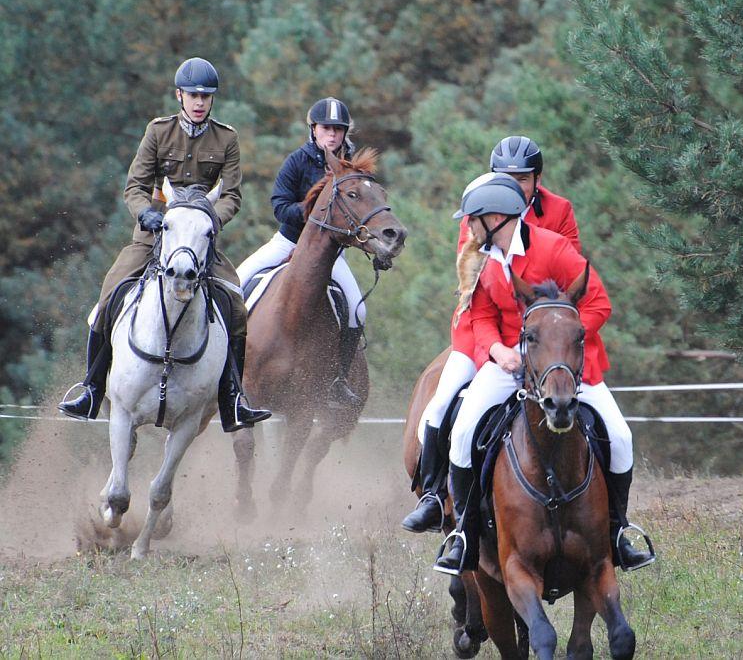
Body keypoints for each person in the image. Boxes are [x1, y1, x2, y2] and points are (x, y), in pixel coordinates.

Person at [432, 173, 652, 574]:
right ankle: (463, 534)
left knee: (620, 436)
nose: (468, 226)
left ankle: (619, 531)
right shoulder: (479, 257)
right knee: (463, 432)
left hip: (563, 365)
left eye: (473, 219)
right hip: (510, 362)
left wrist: (559, 342)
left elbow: (598, 303)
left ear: (496, 218)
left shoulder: (553, 248)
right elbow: (479, 314)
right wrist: (498, 350)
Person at [58, 57, 271, 432]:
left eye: (206, 96)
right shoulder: (158, 132)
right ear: (180, 95)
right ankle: (91, 388)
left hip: (200, 240)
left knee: (235, 305)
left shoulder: (227, 138)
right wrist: (146, 214)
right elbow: (134, 187)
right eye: (193, 95)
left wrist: (208, 219)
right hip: (154, 236)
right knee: (109, 295)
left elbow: (233, 196)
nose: (200, 101)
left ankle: (233, 400)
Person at [402, 136, 582, 534]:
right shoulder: (479, 210)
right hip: (482, 331)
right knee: (440, 405)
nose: (515, 185)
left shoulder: (560, 212)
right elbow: (472, 284)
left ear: (537, 178)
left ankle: (607, 518)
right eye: (506, 177)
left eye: (522, 177)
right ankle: (434, 494)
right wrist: (497, 349)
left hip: (545, 336)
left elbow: (569, 279)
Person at [236, 96, 364, 408]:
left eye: (338, 129)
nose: (332, 135)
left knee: (359, 310)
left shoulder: (351, 168)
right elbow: (279, 205)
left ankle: (338, 381)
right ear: (314, 130)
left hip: (330, 255)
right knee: (235, 287)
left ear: (346, 133)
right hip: (288, 243)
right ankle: (227, 374)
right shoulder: (297, 161)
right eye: (325, 128)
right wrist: (314, 214)